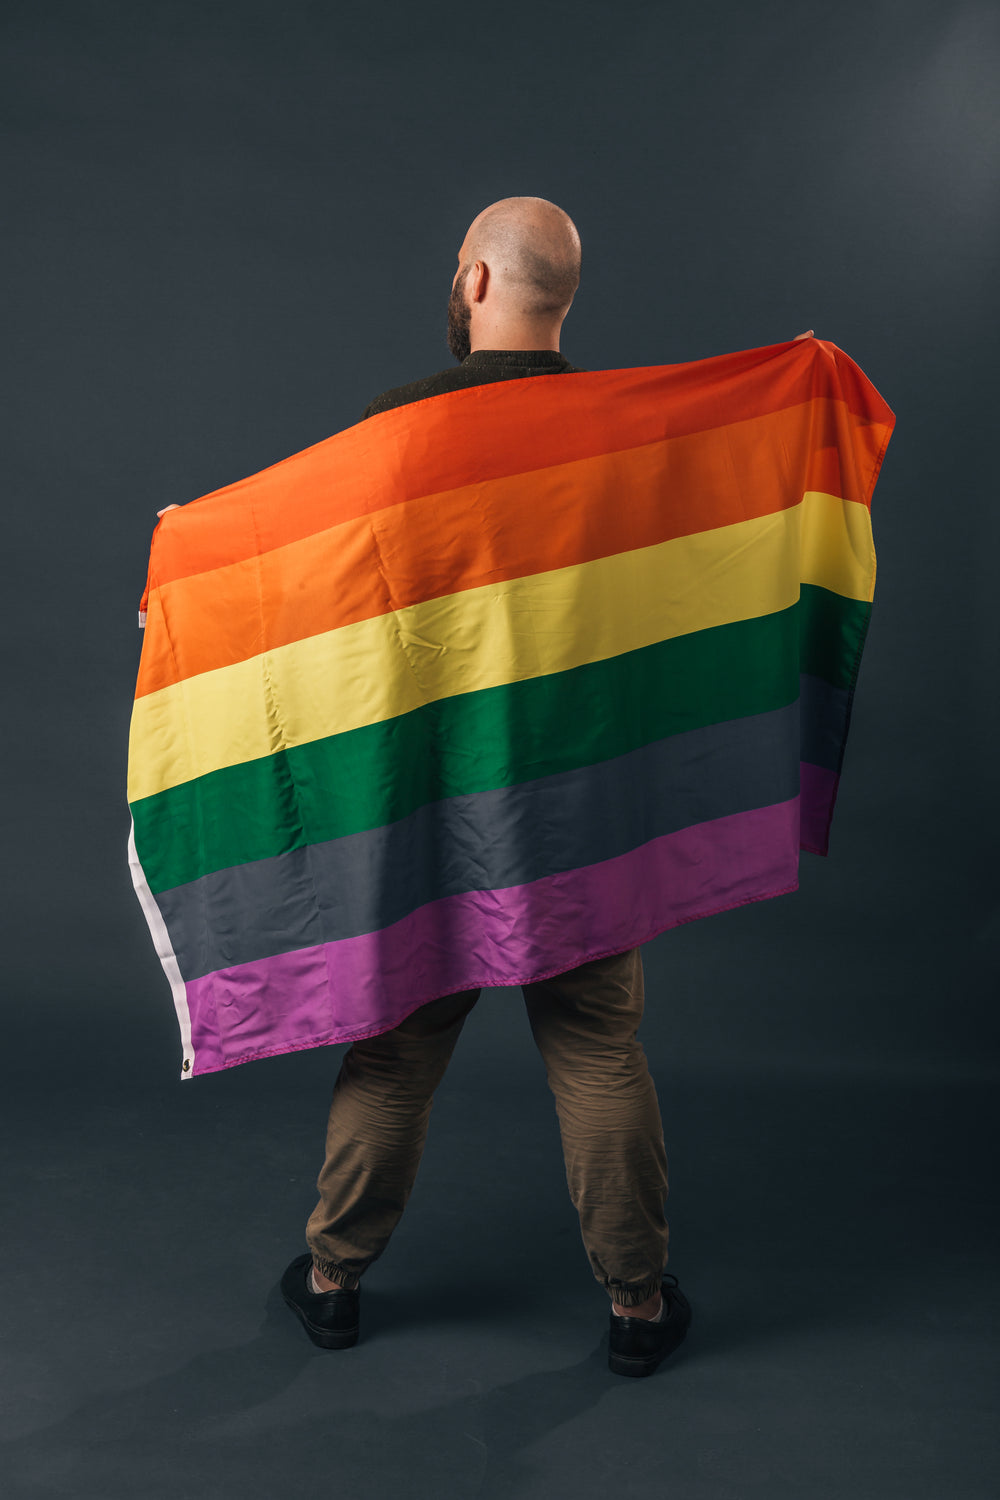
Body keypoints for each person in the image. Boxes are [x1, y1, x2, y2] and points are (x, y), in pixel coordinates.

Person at [277, 198, 692, 1379]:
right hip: (577, 816)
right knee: (600, 1052)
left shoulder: (391, 437)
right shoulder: (626, 441)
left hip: (437, 824)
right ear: (564, 298)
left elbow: (311, 602)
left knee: (395, 1056)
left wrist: (196, 577)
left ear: (471, 282)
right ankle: (636, 1307)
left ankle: (333, 1283)